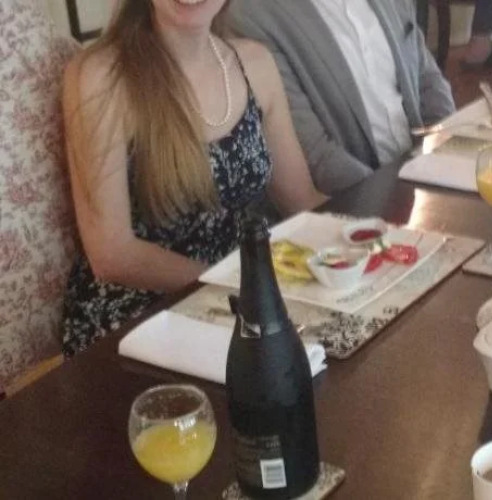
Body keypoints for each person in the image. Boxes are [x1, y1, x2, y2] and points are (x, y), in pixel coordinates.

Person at [61, 0, 325, 356]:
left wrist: (378, 238)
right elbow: (112, 255)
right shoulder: (100, 76)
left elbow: (302, 200)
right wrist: (240, 287)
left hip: (237, 306)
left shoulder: (255, 62)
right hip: (136, 323)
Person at [229, 0, 456, 195]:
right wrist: (395, 195)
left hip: (430, 173)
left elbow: (427, 78)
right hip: (359, 202)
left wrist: (447, 149)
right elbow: (315, 153)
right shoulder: (255, 15)